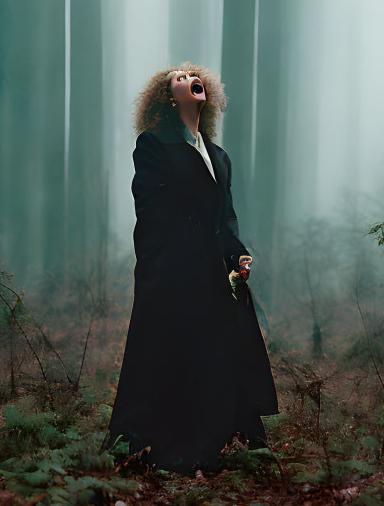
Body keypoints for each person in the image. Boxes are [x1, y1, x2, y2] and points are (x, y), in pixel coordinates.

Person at [105, 62, 279, 474]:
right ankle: (166, 452)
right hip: (172, 271)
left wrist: (239, 254)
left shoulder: (219, 156)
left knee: (219, 353)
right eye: (178, 78)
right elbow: (149, 209)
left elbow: (226, 216)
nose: (188, 78)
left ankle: (220, 442)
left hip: (213, 274)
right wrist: (163, 265)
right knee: (171, 354)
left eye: (192, 74)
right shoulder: (152, 144)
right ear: (169, 98)